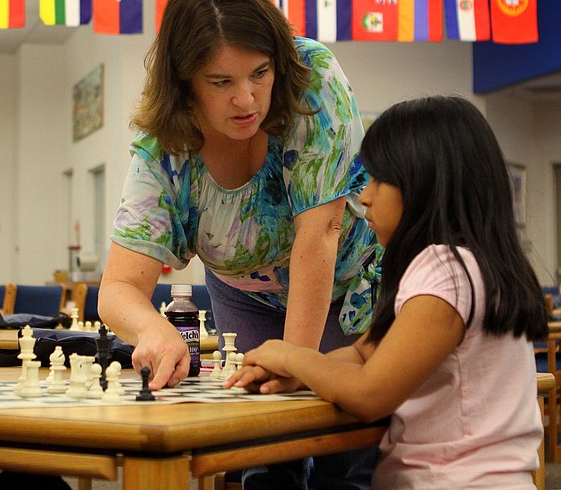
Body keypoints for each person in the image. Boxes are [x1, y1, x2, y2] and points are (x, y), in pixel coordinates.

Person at [98, 0, 380, 488]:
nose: (246, 99)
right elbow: (118, 288)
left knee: (345, 440)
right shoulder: (165, 148)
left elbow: (322, 231)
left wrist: (297, 359)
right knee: (262, 446)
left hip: (344, 285)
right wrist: (154, 329)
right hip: (244, 294)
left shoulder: (312, 77)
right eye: (221, 82)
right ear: (185, 83)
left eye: (259, 74)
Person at [227, 95, 549, 489]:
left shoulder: (446, 269)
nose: (364, 197)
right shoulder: (476, 265)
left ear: (427, 183)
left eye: (380, 179)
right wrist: (304, 374)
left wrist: (291, 355)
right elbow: (366, 353)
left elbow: (369, 394)